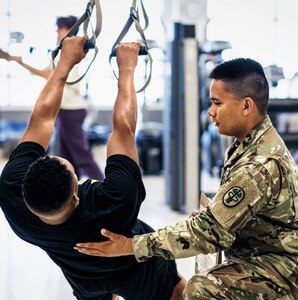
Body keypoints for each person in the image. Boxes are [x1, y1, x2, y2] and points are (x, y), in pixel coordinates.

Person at [74, 58, 298, 299]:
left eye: (217, 103)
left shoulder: (257, 165)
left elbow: (206, 233)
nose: (211, 112)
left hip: (281, 269)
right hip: (261, 253)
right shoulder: (251, 144)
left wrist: (130, 246)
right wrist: (215, 213)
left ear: (246, 106)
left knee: (202, 288)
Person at [0, 38, 186, 300]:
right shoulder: (115, 199)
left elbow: (41, 119)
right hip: (138, 268)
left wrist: (64, 63)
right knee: (178, 293)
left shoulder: (13, 200)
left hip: (83, 277)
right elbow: (123, 131)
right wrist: (127, 68)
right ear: (76, 196)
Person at [1, 15, 104, 180]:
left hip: (72, 111)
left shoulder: (74, 51)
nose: (57, 31)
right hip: (64, 111)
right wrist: (17, 61)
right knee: (66, 156)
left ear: (68, 29)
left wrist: (20, 62)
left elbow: (51, 75)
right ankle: (71, 189)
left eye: (60, 27)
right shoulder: (61, 52)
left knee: (80, 154)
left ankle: (104, 188)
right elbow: (46, 73)